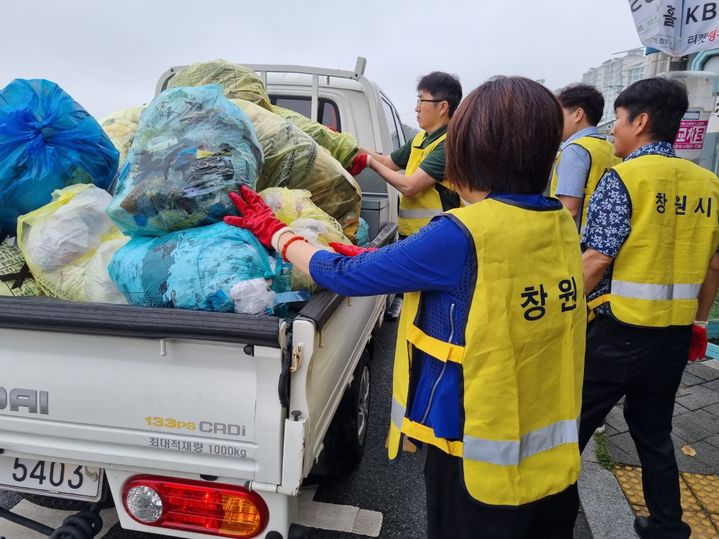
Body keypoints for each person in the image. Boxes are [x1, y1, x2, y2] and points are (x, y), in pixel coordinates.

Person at [224, 76, 586, 539]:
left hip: (480, 469)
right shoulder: (555, 220)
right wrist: (366, 256)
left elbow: (338, 276)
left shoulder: (463, 232)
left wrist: (274, 230)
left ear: (475, 151)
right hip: (552, 462)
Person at [579, 77, 719, 539]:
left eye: (617, 120)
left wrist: (563, 314)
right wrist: (699, 322)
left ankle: (543, 515)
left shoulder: (623, 179)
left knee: (571, 426)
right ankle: (666, 526)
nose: (613, 130)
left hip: (617, 333)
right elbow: (713, 266)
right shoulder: (709, 184)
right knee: (654, 433)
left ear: (640, 121)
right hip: (674, 336)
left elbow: (596, 259)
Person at [348, 71, 463, 239]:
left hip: (437, 238)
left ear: (443, 107)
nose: (416, 108)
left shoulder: (448, 145)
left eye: (422, 100)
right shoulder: (420, 139)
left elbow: (410, 187)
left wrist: (370, 162)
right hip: (414, 236)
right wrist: (349, 145)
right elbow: (387, 162)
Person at [549, 83, 620, 232]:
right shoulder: (611, 148)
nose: (555, 121)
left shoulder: (575, 150)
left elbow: (569, 209)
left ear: (578, 114)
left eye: (559, 115)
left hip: (576, 243)